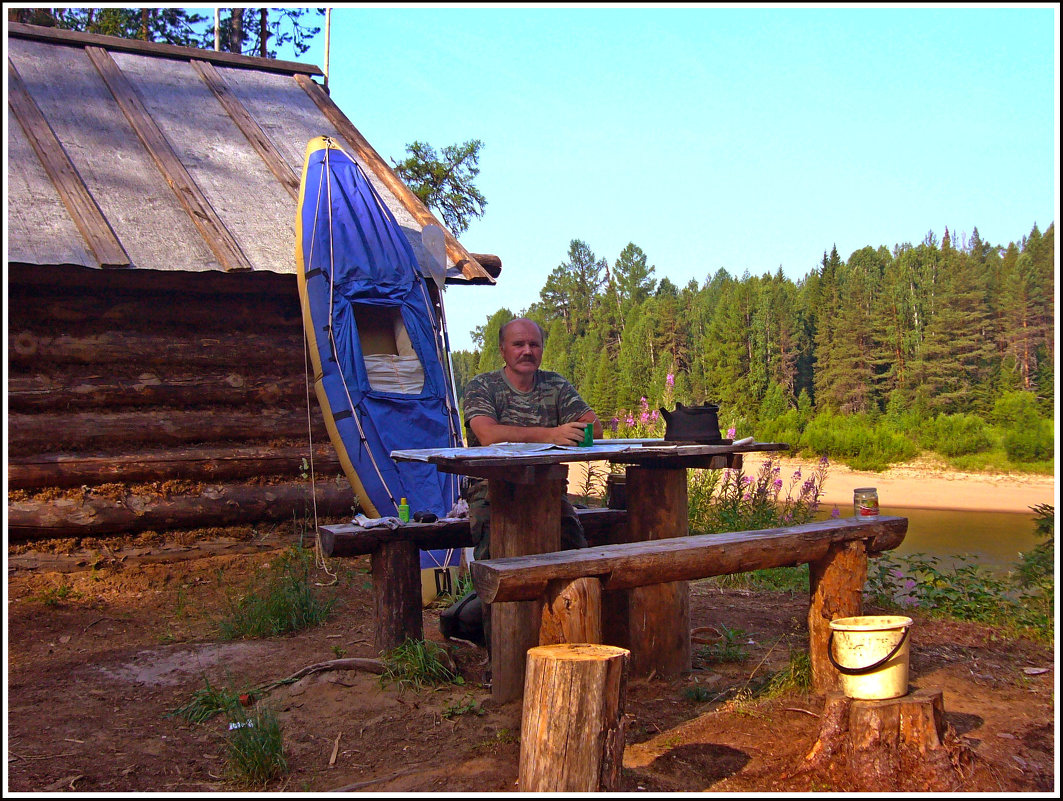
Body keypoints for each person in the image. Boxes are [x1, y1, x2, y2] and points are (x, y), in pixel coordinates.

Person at [461, 317, 603, 562]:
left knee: (577, 558)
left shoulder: (555, 385)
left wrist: (571, 433)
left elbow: (594, 428)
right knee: (498, 566)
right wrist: (551, 435)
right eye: (518, 344)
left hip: (547, 488)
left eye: (534, 344)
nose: (527, 351)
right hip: (491, 493)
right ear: (502, 350)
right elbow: (488, 435)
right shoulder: (482, 386)